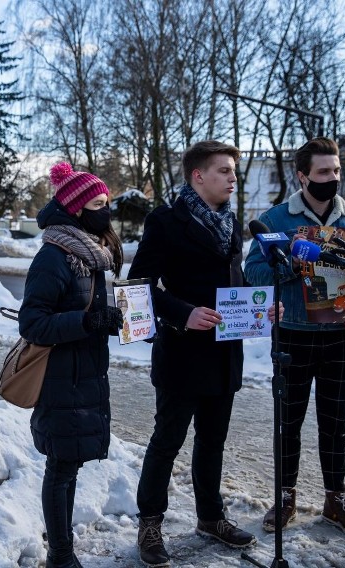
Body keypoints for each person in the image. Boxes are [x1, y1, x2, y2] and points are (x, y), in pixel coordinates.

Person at [244, 137, 345, 539]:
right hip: (292, 336)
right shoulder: (275, 220)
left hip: (341, 336)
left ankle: (335, 500)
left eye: (336, 170)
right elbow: (254, 273)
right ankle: (285, 495)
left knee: (335, 424)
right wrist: (293, 262)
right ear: (302, 175)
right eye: (324, 172)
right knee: (288, 423)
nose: (333, 178)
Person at [129, 141, 259, 567]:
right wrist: (183, 313)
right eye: (224, 171)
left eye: (234, 171)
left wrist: (259, 309)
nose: (233, 178)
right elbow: (139, 285)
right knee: (167, 441)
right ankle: (150, 523)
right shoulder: (166, 220)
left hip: (224, 353)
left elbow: (233, 281)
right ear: (198, 176)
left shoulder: (230, 221)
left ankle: (210, 517)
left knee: (213, 441)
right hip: (182, 352)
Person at [17, 162, 124, 568]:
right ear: (76, 209)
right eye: (98, 203)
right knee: (60, 469)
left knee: (69, 467)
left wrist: (115, 322)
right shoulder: (54, 257)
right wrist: (87, 322)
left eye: (107, 203)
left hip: (86, 375)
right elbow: (33, 322)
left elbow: (88, 312)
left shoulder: (90, 253)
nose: (106, 212)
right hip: (61, 380)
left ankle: (62, 549)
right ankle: (61, 556)